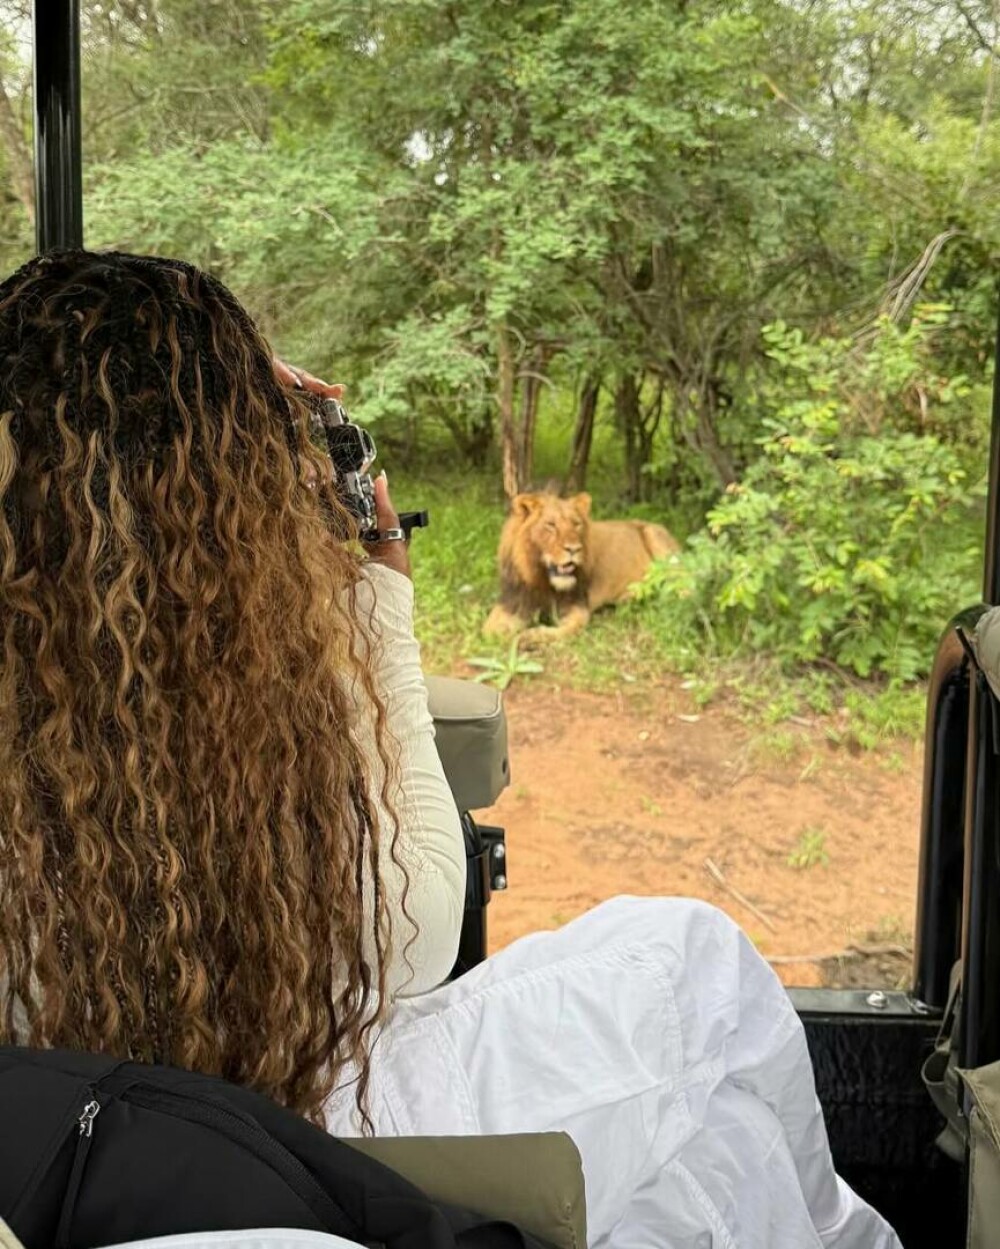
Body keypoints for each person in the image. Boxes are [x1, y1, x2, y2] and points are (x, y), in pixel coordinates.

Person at [0, 250, 900, 1248]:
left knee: (705, 1171)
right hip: (269, 1131)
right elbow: (417, 938)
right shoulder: (238, 707)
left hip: (83, 1149)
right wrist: (376, 605)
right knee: (700, 963)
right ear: (232, 501)